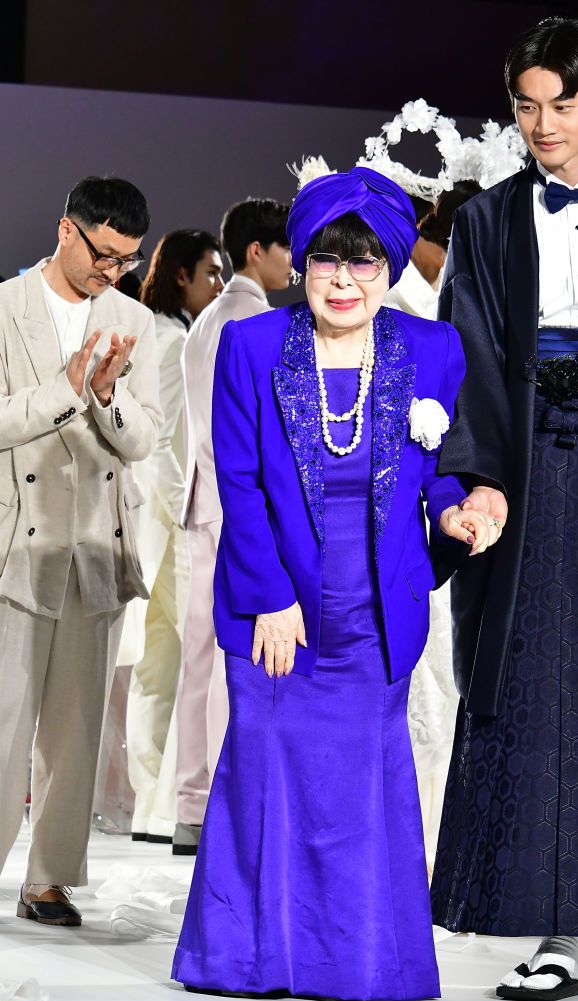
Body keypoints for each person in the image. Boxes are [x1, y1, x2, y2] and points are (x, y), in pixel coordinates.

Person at [172, 166, 497, 1001]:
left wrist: (458, 512)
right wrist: (269, 599)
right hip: (275, 607)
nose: (343, 281)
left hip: (377, 610)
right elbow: (236, 481)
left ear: (388, 270)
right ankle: (255, 958)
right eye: (325, 262)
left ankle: (359, 960)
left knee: (361, 785)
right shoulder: (250, 347)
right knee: (267, 769)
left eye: (362, 264)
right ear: (303, 265)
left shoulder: (431, 349)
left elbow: (438, 477)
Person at [430, 16, 578, 1001]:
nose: (542, 124)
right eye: (526, 105)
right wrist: (478, 477)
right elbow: (465, 351)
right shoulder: (485, 222)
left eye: (562, 104)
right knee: (547, 699)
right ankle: (555, 934)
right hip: (531, 466)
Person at [0, 176, 161, 925]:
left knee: (75, 727)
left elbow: (145, 437)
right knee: (4, 720)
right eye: (104, 255)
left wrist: (104, 395)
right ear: (68, 230)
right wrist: (66, 391)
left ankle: (49, 879)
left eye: (126, 261)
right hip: (16, 541)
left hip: (96, 540)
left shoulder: (133, 318)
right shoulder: (5, 306)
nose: (112, 272)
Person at [174, 199, 292, 855]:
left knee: (201, 662)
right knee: (236, 660)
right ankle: (225, 804)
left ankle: (193, 805)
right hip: (239, 508)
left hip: (202, 502)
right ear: (257, 251)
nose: (294, 263)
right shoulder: (251, 318)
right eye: (286, 249)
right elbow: (263, 433)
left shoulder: (210, 317)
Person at [386, 181, 482, 879]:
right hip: (412, 527)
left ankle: (456, 849)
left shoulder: (479, 304)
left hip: (475, 516)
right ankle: (412, 853)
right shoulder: (394, 310)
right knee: (422, 692)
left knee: (458, 692)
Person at [125, 230, 223, 844]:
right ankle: (154, 804)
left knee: (161, 665)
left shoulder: (170, 333)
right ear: (181, 274)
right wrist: (175, 515)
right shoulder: (167, 339)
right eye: (211, 272)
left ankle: (151, 806)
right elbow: (160, 441)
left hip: (166, 523)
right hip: (168, 528)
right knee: (171, 663)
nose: (216, 283)